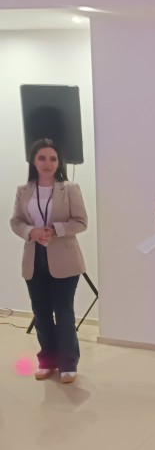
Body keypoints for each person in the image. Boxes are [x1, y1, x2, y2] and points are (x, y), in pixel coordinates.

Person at [10, 138, 88, 384]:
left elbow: (81, 222)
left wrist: (56, 229)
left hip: (65, 259)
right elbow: (16, 221)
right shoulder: (23, 190)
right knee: (41, 313)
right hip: (34, 259)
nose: (48, 163)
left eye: (53, 158)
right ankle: (47, 361)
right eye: (42, 158)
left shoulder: (70, 188)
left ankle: (68, 363)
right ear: (33, 161)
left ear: (59, 162)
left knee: (64, 313)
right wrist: (31, 232)